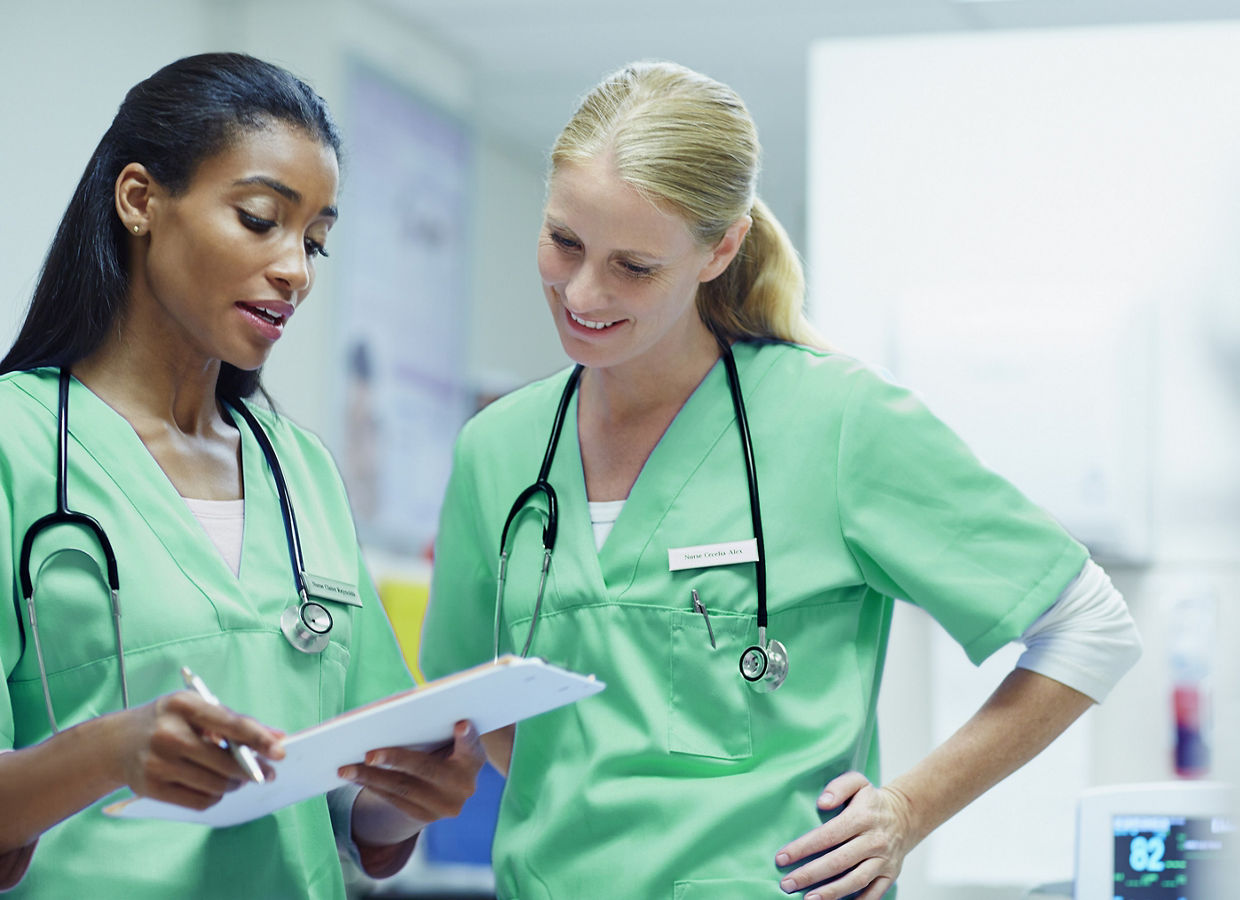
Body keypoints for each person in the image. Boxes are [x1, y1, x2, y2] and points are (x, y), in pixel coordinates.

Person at [419, 60, 1142, 899]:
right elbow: (480, 709)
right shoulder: (498, 450)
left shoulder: (835, 422)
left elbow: (1091, 627)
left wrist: (907, 809)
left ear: (719, 249)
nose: (582, 292)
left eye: (634, 266)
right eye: (564, 242)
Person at [0, 53, 483, 898]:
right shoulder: (17, 442)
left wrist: (409, 799)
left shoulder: (298, 471)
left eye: (316, 242)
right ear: (140, 200)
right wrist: (111, 752)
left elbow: (352, 799)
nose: (295, 267)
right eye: (261, 219)